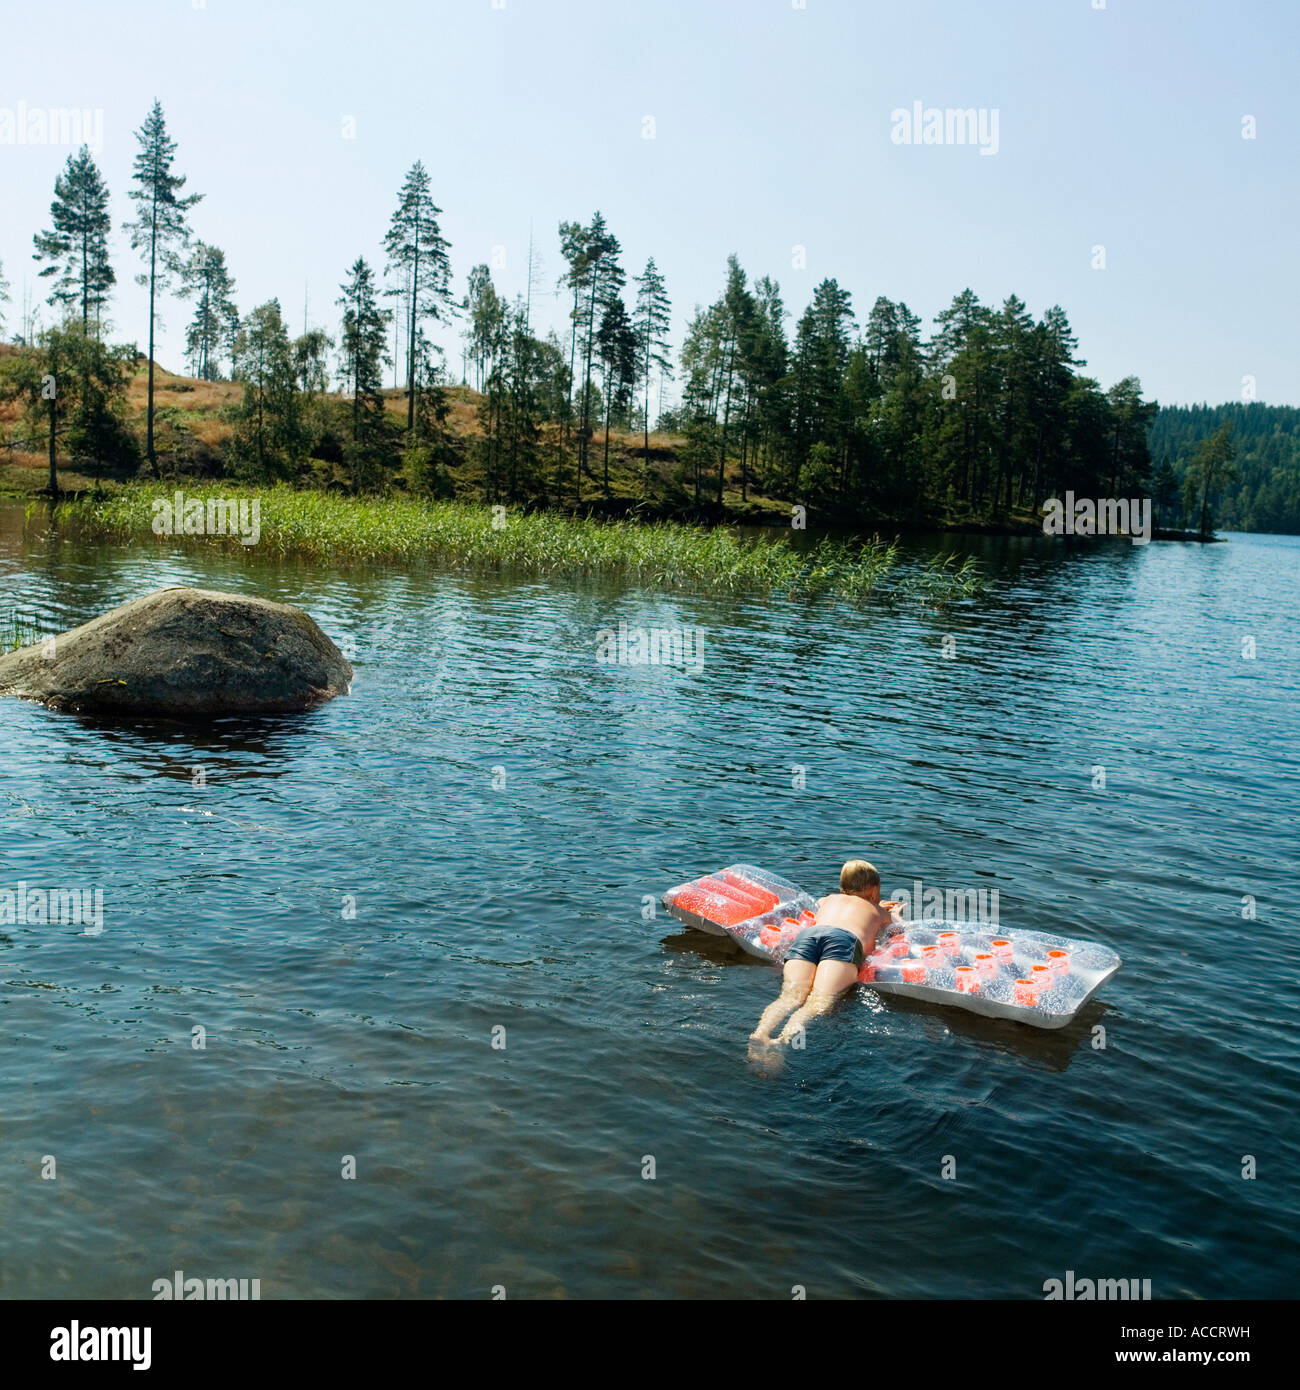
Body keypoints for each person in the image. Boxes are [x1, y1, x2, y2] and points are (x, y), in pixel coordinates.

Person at [750, 860, 898, 1046]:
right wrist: (893, 912)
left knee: (790, 996)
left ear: (842, 886)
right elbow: (899, 930)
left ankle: (760, 1034)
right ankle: (782, 1041)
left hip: (808, 937)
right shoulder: (879, 911)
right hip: (844, 941)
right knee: (819, 1000)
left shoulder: (827, 900)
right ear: (875, 890)